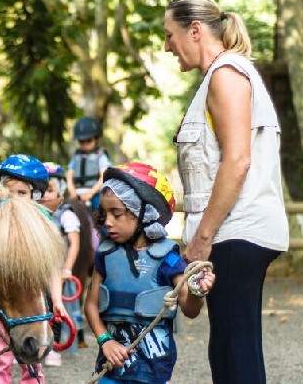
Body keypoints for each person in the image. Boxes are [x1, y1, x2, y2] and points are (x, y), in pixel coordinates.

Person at [164, 0, 288, 384]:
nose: (166, 46)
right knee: (227, 352)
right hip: (231, 233)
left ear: (195, 30)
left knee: (236, 355)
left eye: (170, 35)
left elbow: (237, 160)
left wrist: (202, 238)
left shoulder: (226, 74)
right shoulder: (218, 76)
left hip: (236, 233)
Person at [84, 163, 215, 383]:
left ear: (144, 214)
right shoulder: (105, 254)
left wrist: (197, 292)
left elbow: (190, 310)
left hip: (152, 371)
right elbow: (90, 305)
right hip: (110, 367)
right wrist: (105, 340)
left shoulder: (168, 259)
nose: (107, 222)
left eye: (116, 214)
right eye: (105, 213)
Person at [0, 154, 67, 384]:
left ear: (35, 196)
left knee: (33, 351)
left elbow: (53, 267)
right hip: (2, 301)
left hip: (32, 300)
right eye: (9, 192)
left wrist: (57, 300)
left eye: (22, 193)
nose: (14, 199)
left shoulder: (41, 225)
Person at [39, 162, 84, 366]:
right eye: (42, 190)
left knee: (54, 308)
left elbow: (74, 243)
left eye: (50, 190)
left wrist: (67, 268)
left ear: (59, 191)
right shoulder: (35, 212)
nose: (45, 195)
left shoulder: (65, 214)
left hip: (57, 270)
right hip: (38, 270)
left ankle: (53, 346)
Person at [66, 117, 111, 210]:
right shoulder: (76, 155)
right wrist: (72, 191)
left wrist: (90, 193)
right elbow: (69, 175)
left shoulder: (100, 155)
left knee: (100, 211)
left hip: (95, 193)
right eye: (82, 141)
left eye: (89, 140)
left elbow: (104, 176)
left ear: (96, 139)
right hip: (78, 193)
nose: (85, 144)